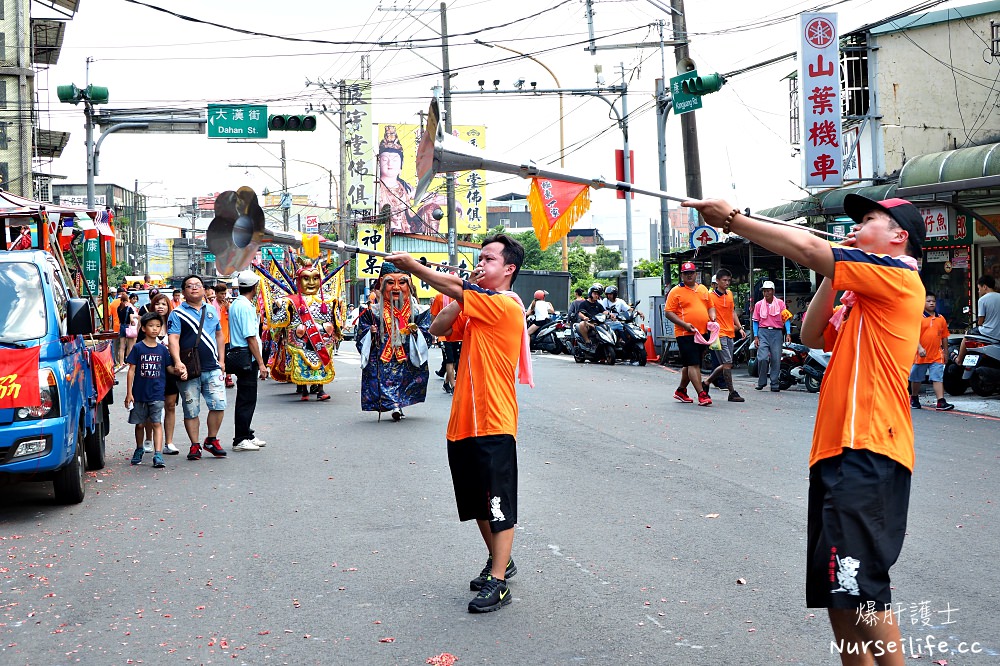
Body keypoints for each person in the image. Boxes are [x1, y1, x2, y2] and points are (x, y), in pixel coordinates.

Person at [688, 193, 925, 665]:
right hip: (839, 454)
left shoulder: (899, 275)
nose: (856, 227)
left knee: (863, 586)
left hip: (871, 449)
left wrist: (735, 219)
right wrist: (832, 278)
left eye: (869, 220)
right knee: (839, 588)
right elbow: (813, 336)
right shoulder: (862, 298)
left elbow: (814, 250)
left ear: (899, 236)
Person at [386, 232, 530, 614]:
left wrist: (416, 268)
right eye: (479, 259)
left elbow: (451, 286)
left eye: (489, 260)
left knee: (498, 503)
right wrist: (459, 292)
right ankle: (502, 560)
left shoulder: (505, 305)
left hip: (494, 421)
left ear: (509, 269)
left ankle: (499, 582)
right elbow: (437, 326)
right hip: (463, 422)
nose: (481, 264)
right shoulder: (477, 305)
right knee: (475, 503)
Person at [356, 262, 433, 418]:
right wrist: (370, 333)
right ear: (383, 283)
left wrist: (416, 331)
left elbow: (427, 333)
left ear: (409, 285)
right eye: (391, 283)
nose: (396, 288)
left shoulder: (419, 311)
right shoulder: (372, 311)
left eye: (402, 282)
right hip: (382, 354)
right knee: (383, 380)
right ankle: (395, 406)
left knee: (407, 379)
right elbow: (361, 333)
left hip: (407, 353)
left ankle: (399, 404)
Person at [167, 275, 228, 461]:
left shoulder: (211, 310)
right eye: (189, 286)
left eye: (197, 285)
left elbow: (219, 335)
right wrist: (177, 362)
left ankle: (211, 440)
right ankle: (195, 445)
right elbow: (173, 339)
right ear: (184, 292)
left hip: (212, 367)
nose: (194, 288)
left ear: (203, 289)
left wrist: (222, 360)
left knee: (219, 404)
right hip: (189, 368)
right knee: (191, 409)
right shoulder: (177, 314)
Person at [270, 258, 342, 401]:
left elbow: (336, 320)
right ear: (298, 281)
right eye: (306, 279)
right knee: (301, 363)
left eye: (315, 278)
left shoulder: (328, 300)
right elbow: (279, 321)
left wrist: (335, 332)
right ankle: (303, 390)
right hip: (300, 338)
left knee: (322, 363)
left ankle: (320, 390)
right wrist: (277, 306)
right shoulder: (290, 301)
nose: (311, 283)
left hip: (322, 338)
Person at [125, 312, 178, 469]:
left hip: (157, 393)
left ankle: (158, 453)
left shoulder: (163, 350)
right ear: (143, 328)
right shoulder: (138, 348)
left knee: (156, 423)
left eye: (157, 326)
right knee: (140, 424)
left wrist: (179, 369)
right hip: (139, 394)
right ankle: (139, 448)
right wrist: (129, 393)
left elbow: (169, 369)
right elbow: (131, 371)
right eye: (151, 326)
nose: (154, 329)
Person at [228, 271, 269, 451]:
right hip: (246, 355)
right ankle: (240, 438)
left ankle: (246, 433)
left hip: (244, 354)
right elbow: (250, 337)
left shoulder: (239, 304)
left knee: (248, 396)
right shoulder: (244, 306)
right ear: (254, 287)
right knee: (246, 397)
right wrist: (261, 363)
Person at [664, 262, 716, 406]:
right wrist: (684, 324)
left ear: (695, 274)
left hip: (702, 332)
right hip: (685, 333)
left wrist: (712, 317)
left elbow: (710, 306)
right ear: (682, 275)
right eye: (686, 273)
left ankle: (681, 390)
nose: (689, 275)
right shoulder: (676, 291)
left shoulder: (703, 289)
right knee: (694, 364)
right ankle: (702, 394)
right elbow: (668, 313)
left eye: (691, 272)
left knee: (691, 364)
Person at [702, 268, 746, 402]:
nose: (727, 283)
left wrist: (739, 328)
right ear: (717, 281)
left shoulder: (730, 294)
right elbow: (710, 312)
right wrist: (712, 319)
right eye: (724, 280)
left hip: (730, 332)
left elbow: (732, 312)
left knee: (727, 364)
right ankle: (732, 392)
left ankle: (707, 382)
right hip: (718, 333)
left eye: (728, 280)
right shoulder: (711, 297)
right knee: (727, 363)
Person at [909, 292, 954, 411]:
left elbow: (944, 336)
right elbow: (912, 335)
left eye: (933, 301)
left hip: (936, 354)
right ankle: (914, 397)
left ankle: (941, 401)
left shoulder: (941, 318)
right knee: (917, 378)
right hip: (921, 355)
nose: (931, 303)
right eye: (928, 301)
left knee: (937, 377)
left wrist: (945, 352)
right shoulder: (918, 317)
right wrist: (919, 348)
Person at [148, 293, 181, 455]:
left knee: (170, 405)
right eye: (157, 304)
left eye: (164, 304)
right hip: (150, 372)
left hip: (170, 371)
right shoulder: (146, 324)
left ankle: (169, 442)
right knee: (150, 406)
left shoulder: (174, 324)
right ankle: (148, 440)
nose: (160, 307)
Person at [752, 280, 791, 392]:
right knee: (762, 358)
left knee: (776, 358)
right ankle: (762, 381)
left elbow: (786, 318)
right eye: (764, 291)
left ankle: (774, 383)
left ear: (773, 291)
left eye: (768, 291)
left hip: (777, 332)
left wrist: (788, 333)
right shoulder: (759, 305)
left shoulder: (780, 303)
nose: (766, 293)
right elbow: (755, 321)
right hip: (763, 332)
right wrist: (756, 336)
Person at [958, 275, 1000, 363]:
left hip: (987, 332)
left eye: (979, 288)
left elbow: (980, 322)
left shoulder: (982, 300)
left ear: (984, 286)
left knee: (967, 334)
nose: (978, 291)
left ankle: (959, 359)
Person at [431, 290, 461, 394]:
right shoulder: (439, 297)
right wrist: (436, 332)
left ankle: (447, 382)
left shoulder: (460, 295)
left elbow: (434, 316)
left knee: (455, 361)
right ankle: (453, 385)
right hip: (444, 335)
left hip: (457, 334)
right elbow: (434, 315)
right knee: (449, 360)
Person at [118, 293, 140, 368]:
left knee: (122, 346)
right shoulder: (129, 309)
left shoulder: (119, 308)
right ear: (127, 300)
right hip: (129, 327)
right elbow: (131, 319)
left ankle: (121, 363)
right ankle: (129, 362)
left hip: (121, 326)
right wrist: (134, 321)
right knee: (130, 346)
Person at [110, 287, 128, 366]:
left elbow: (109, 316)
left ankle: (117, 362)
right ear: (123, 293)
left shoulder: (113, 303)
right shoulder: (128, 302)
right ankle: (125, 360)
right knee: (126, 345)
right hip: (127, 328)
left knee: (117, 346)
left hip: (116, 327)